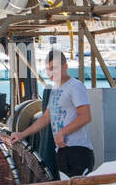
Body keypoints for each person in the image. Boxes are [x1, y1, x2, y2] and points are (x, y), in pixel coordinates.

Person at [7, 49, 94, 177]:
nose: (51, 72)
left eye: (54, 68)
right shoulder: (55, 89)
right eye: (48, 69)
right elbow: (46, 117)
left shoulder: (75, 86)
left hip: (78, 150)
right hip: (61, 151)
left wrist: (62, 132)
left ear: (65, 66)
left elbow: (85, 116)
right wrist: (22, 134)